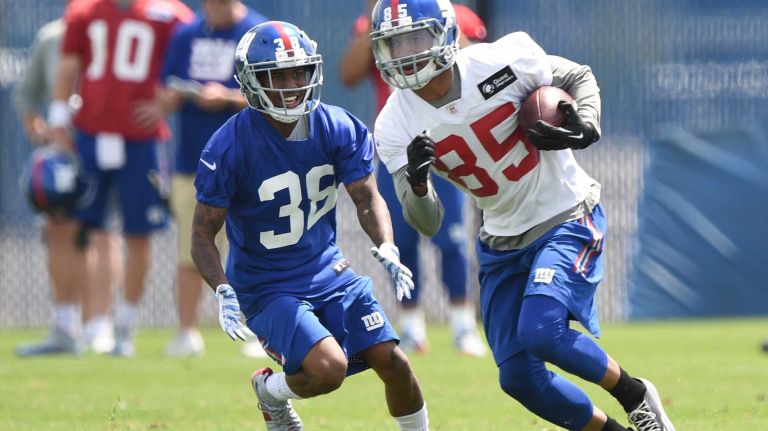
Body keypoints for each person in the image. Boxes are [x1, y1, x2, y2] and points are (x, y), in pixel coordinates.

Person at [369, 1, 676, 430]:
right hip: (501, 237)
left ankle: (634, 394)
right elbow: (427, 222)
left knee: (541, 331)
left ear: (445, 34)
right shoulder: (394, 124)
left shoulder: (501, 59)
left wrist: (587, 122)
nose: (406, 52)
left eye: (416, 38)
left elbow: (577, 75)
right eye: (394, 43)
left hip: (563, 214)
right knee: (518, 378)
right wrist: (418, 184)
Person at [191, 21, 429, 430]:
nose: (290, 84)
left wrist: (387, 245)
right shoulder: (229, 146)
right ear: (253, 82)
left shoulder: (338, 127)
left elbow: (366, 196)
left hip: (328, 271)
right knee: (329, 369)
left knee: (394, 361)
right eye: (277, 75)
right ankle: (270, 394)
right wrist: (223, 289)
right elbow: (200, 233)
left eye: (298, 72)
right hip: (268, 287)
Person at [339, 0, 487, 357]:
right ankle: (410, 326)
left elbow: (479, 65)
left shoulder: (457, 15)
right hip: (397, 145)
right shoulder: (372, 22)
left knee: (451, 239)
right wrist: (373, 19)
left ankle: (462, 323)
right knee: (401, 240)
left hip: (448, 136)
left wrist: (444, 26)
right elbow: (349, 74)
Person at [47, 0, 194, 357]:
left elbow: (190, 62)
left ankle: (125, 326)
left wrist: (165, 104)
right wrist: (57, 120)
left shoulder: (170, 14)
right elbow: (68, 69)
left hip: (141, 140)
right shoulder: (83, 11)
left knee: (138, 233)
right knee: (82, 229)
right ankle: (88, 323)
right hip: (90, 135)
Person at [159, 0, 267, 358]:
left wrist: (227, 97)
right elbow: (163, 93)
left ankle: (257, 329)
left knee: (253, 248)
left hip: (248, 160)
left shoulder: (257, 33)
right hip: (193, 160)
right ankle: (187, 331)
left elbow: (274, 96)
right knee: (191, 248)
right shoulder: (186, 34)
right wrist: (176, 95)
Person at [13, 3, 121, 356]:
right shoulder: (51, 37)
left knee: (101, 233)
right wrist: (38, 127)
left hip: (105, 147)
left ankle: (99, 325)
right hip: (62, 153)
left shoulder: (118, 29)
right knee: (58, 230)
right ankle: (64, 326)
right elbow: (26, 93)